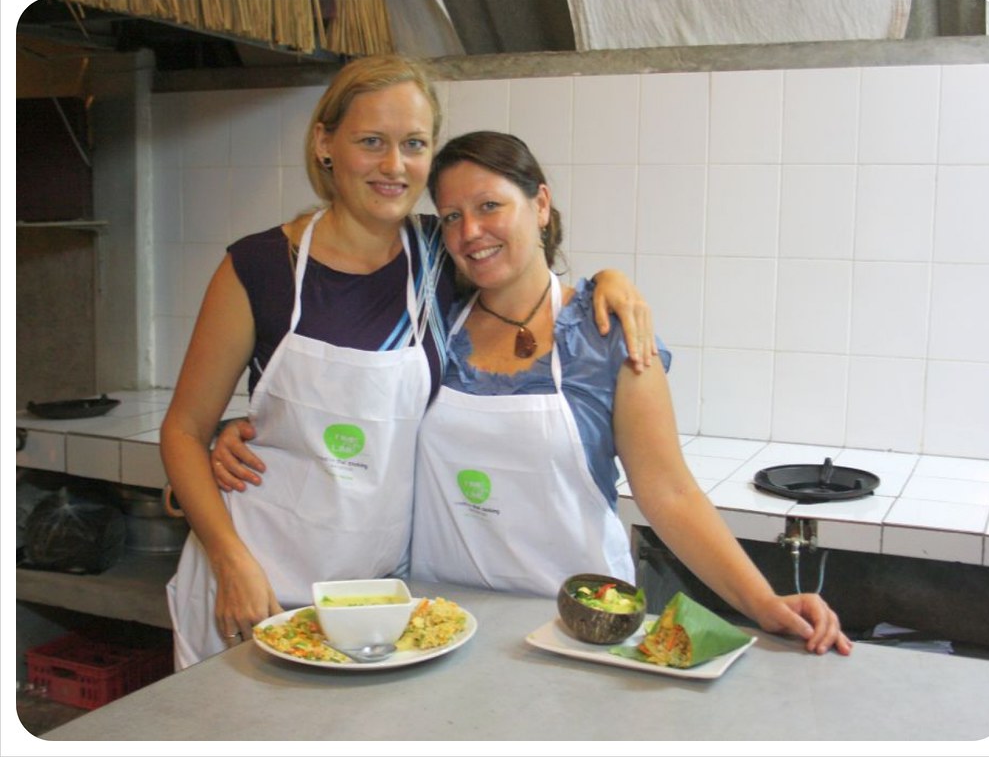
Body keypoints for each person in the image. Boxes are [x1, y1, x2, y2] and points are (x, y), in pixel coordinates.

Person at [215, 130, 852, 656]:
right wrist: (235, 437)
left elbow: (671, 493)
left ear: (540, 205)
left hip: (580, 627)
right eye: (454, 216)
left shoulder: (609, 336)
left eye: (491, 206)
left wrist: (763, 601)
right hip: (438, 629)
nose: (470, 232)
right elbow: (354, 416)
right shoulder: (430, 323)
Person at [161, 56, 653, 669]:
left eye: (414, 144)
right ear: (325, 143)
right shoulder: (260, 268)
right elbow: (182, 429)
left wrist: (612, 280)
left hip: (378, 596)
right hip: (254, 581)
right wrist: (229, 559)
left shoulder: (441, 253)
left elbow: (527, 265)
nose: (395, 166)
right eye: (372, 142)